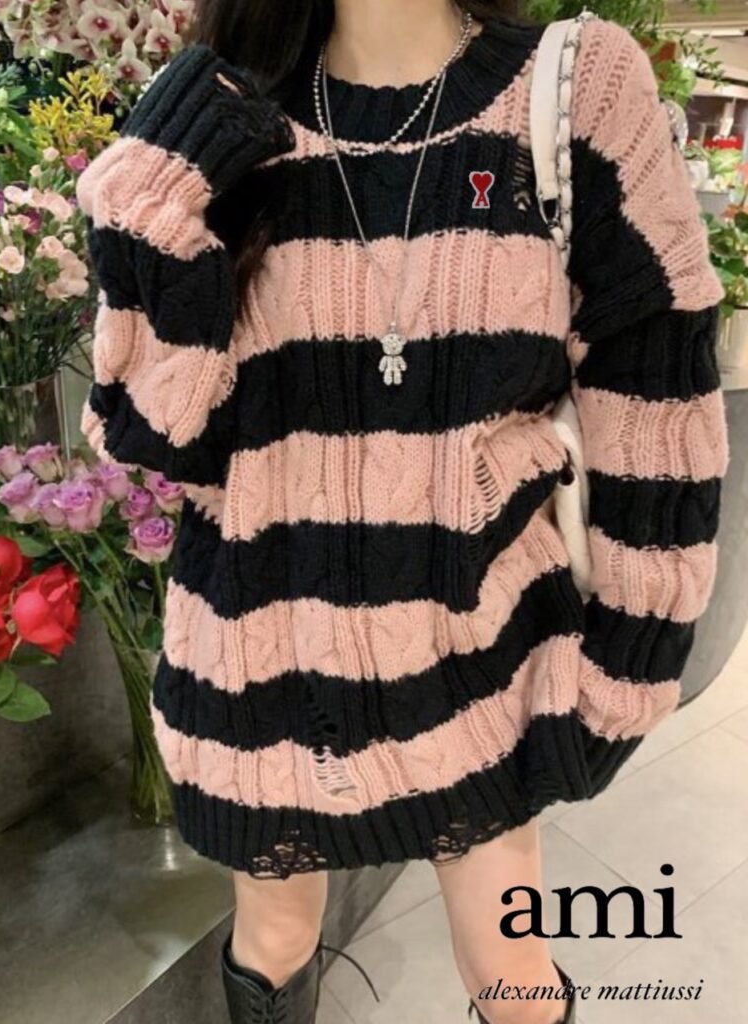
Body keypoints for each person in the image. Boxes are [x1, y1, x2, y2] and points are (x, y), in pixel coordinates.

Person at [76, 1, 729, 1022]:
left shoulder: (576, 90)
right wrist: (150, 214)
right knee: (275, 939)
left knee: (512, 975)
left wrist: (631, 667)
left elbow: (657, 403)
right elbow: (154, 442)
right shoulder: (218, 103)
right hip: (259, 664)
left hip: (481, 657)